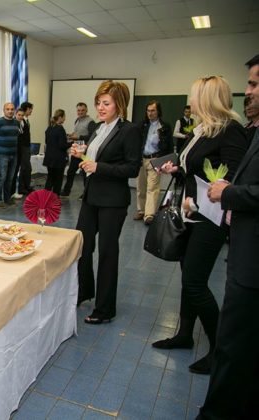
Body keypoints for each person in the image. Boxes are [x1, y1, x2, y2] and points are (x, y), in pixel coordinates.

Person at [154, 75, 249, 375]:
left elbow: (235, 176)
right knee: (188, 278)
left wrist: (203, 194)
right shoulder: (203, 130)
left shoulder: (230, 130)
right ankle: (184, 334)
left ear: (207, 99)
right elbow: (194, 170)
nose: (190, 101)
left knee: (195, 282)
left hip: (211, 218)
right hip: (192, 214)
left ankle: (220, 350)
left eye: (194, 96)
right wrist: (176, 170)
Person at [199, 54, 259, 420]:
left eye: (253, 84)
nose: (247, 91)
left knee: (235, 345)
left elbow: (236, 180)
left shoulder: (231, 130)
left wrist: (230, 193)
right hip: (242, 250)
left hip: (248, 259)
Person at [71, 81, 141, 324]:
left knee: (108, 253)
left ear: (119, 104)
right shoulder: (99, 128)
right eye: (98, 103)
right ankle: (84, 290)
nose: (100, 108)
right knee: (82, 246)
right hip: (91, 197)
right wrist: (80, 155)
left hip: (113, 200)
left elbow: (132, 168)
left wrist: (99, 167)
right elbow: (93, 159)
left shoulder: (129, 130)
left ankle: (105, 308)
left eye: (106, 103)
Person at [134, 101, 173, 225]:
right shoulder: (142, 125)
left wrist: (166, 161)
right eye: (148, 110)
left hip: (155, 160)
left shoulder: (164, 126)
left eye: (153, 110)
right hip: (142, 159)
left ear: (158, 111)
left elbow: (169, 145)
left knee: (152, 188)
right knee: (141, 187)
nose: (150, 113)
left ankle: (149, 214)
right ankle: (141, 210)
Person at [61, 102, 96, 197]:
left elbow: (92, 136)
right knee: (70, 172)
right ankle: (66, 191)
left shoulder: (91, 122)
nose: (80, 112)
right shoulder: (77, 120)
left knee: (85, 173)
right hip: (76, 150)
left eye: (82, 110)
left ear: (86, 110)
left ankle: (86, 194)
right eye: (78, 110)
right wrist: (72, 135)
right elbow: (77, 133)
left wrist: (79, 137)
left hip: (85, 152)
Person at [0, 102, 19, 207]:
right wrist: (2, 143)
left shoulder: (17, 123)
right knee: (1, 177)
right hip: (2, 155)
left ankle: (7, 198)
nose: (10, 111)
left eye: (12, 109)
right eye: (8, 109)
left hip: (14, 154)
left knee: (10, 178)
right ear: (4, 110)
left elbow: (17, 136)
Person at [43, 109, 70, 194]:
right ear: (60, 117)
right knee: (58, 180)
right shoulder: (60, 129)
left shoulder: (49, 128)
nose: (65, 119)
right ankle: (55, 198)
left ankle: (45, 197)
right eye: (64, 117)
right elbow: (62, 145)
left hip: (49, 158)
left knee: (50, 178)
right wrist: (72, 143)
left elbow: (47, 142)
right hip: (58, 159)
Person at [11, 102, 34, 197]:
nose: (31, 111)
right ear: (27, 109)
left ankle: (25, 187)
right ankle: (22, 188)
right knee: (25, 168)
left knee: (27, 168)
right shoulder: (20, 121)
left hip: (26, 147)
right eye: (31, 109)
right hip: (22, 148)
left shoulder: (25, 121)